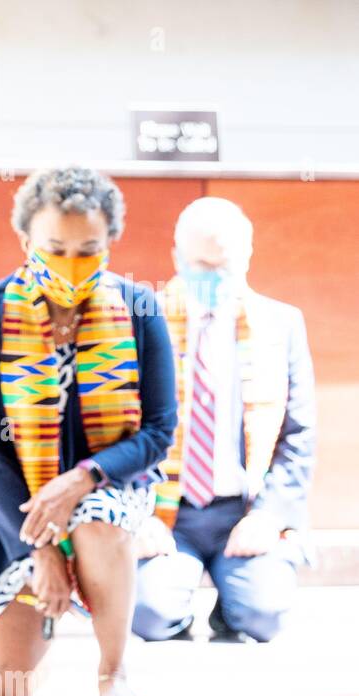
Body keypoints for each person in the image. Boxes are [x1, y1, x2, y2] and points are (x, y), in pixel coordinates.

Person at [0, 166, 176, 696]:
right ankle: (49, 604)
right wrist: (41, 549)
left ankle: (113, 672)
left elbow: (159, 430)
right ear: (26, 241)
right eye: (55, 248)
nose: (72, 263)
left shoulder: (141, 310)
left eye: (89, 249)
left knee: (97, 517)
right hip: (8, 500)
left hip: (107, 483)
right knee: (7, 687)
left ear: (110, 243)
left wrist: (84, 477)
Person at [132, 197, 317, 643]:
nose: (212, 277)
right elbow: (112, 430)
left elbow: (299, 436)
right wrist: (137, 513)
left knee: (263, 618)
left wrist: (270, 516)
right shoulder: (139, 322)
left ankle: (232, 607)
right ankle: (176, 604)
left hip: (244, 506)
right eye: (200, 264)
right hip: (166, 509)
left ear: (247, 258)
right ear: (176, 257)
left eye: (225, 266)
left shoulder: (281, 324)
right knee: (147, 616)